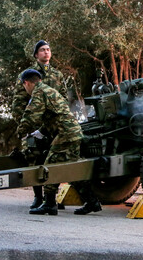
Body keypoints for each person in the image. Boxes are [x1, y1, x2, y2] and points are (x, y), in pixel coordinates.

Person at [17, 69, 102, 216]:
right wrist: (40, 132)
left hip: (66, 134)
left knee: (50, 166)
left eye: (24, 86)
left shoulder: (39, 92)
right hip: (71, 132)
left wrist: (21, 130)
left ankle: (49, 204)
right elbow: (53, 115)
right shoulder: (48, 90)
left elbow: (32, 115)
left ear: (27, 83)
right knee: (72, 170)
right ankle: (92, 201)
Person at [11, 40, 68, 209]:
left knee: (55, 159)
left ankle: (51, 198)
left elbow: (64, 98)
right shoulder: (27, 75)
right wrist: (27, 126)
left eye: (48, 49)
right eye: (42, 50)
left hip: (53, 126)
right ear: (36, 54)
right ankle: (38, 196)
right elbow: (18, 103)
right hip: (35, 125)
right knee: (34, 158)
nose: (46, 52)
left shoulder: (58, 75)